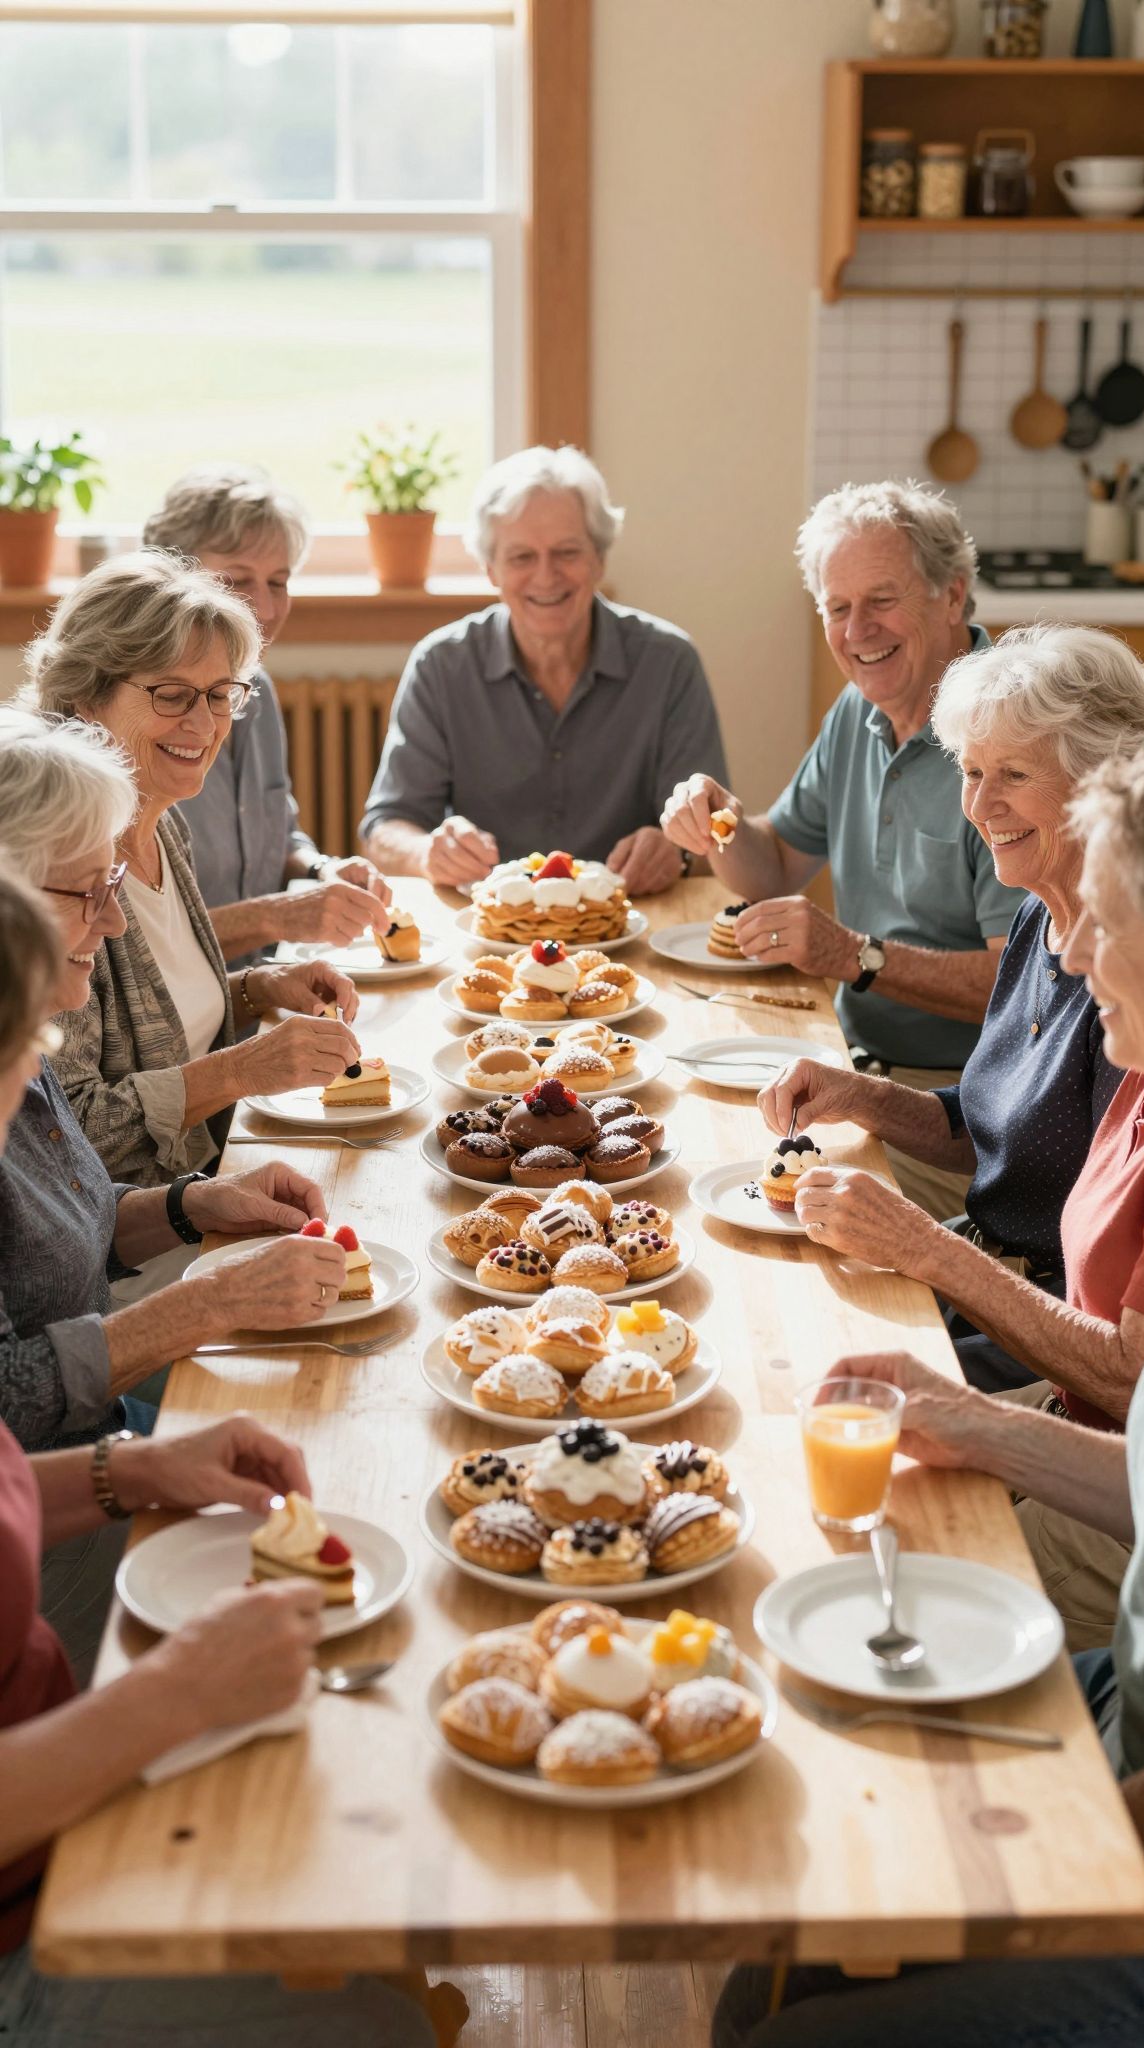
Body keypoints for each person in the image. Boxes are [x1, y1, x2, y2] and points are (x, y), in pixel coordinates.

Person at [0, 885, 430, 2044]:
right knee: (374, 2024)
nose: (29, 1115)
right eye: (21, 1062)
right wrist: (172, 1693)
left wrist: (128, 1473)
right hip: (31, 1917)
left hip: (61, 1751)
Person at [787, 747, 1144, 1650]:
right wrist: (975, 1423)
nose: (1065, 949)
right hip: (1087, 1430)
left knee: (885, 1612)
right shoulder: (1139, 1074)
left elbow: (1126, 1382)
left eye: (1098, 921)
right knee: (835, 1536)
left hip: (1119, 1519)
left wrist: (928, 1252)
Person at [759, 626, 1144, 1397]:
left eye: (1012, 774)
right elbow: (997, 1129)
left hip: (1043, 1326)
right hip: (982, 1272)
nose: (979, 804)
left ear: (1102, 782)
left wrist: (920, 1246)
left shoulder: (1127, 980)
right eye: (970, 772)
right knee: (789, 1308)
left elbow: (1118, 1353)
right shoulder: (1041, 916)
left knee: (823, 1385)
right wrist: (859, 1097)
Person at [660, 480, 1027, 1221]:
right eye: (837, 607)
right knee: (681, 1151)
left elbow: (1021, 986)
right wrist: (721, 822)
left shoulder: (1007, 739)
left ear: (952, 595)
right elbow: (775, 867)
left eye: (882, 600)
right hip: (848, 1068)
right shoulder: (859, 711)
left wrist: (854, 955)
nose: (858, 630)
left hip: (964, 1115)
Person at [16, 555, 364, 1185]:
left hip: (208, 1182)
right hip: (137, 1235)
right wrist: (244, 1069)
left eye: (220, 694)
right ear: (85, 695)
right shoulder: (57, 866)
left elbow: (156, 1030)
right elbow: (67, 1135)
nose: (203, 725)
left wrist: (258, 988)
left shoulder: (163, 821)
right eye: (172, 695)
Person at [360, 443, 728, 896]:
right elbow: (385, 828)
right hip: (485, 926)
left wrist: (678, 852)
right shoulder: (441, 665)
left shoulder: (670, 663)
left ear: (600, 558)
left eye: (567, 552)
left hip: (633, 919)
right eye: (522, 557)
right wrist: (427, 853)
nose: (546, 576)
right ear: (491, 569)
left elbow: (714, 828)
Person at [144, 464, 393, 968]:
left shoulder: (256, 689)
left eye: (278, 582)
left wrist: (323, 870)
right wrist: (279, 916)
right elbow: (132, 945)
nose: (262, 607)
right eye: (235, 580)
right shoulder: (139, 715)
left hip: (260, 987)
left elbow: (281, 837)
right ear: (171, 579)